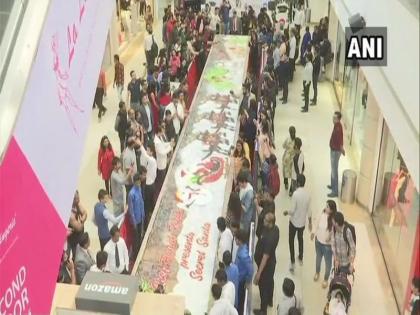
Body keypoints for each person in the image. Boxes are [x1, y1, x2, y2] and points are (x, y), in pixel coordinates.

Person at [284, 174, 312, 273]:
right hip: (302, 223)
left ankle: (292, 262)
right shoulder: (308, 195)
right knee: (300, 239)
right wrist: (310, 222)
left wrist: (287, 212)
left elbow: (292, 210)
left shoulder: (295, 194)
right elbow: (309, 210)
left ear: (298, 183)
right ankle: (300, 257)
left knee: (291, 241)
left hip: (294, 222)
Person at [253, 213, 280, 315]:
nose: (263, 221)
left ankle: (263, 310)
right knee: (270, 281)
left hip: (266, 266)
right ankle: (270, 299)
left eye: (265, 220)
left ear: (270, 223)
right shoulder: (275, 228)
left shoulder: (270, 238)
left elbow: (265, 257)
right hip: (271, 263)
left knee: (263, 287)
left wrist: (258, 274)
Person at [311, 200, 337, 288]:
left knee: (328, 263)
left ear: (332, 210)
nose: (326, 208)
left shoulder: (333, 220)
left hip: (327, 246)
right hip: (318, 242)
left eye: (328, 207)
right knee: (318, 259)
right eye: (326, 206)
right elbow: (316, 224)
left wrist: (330, 237)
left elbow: (334, 232)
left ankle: (326, 279)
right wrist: (313, 232)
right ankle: (317, 272)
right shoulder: (321, 214)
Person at [235, 229, 253, 315]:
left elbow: (250, 269)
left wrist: (248, 281)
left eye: (236, 239)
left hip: (241, 280)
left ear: (239, 240)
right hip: (239, 277)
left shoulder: (243, 255)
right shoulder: (242, 248)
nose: (235, 240)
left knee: (240, 299)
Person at [139, 142, 157, 226]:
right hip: (151, 184)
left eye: (148, 150)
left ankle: (147, 222)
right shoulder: (152, 161)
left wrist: (141, 145)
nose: (147, 151)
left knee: (147, 204)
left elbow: (145, 156)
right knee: (150, 203)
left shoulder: (152, 160)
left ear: (152, 152)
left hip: (149, 186)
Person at [328, 111, 345, 198]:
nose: (333, 119)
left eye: (335, 118)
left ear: (338, 119)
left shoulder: (338, 128)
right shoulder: (337, 126)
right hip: (334, 150)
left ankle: (335, 191)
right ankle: (332, 185)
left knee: (334, 170)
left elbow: (340, 140)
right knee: (333, 168)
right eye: (333, 117)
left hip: (335, 151)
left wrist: (341, 149)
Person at [67, 191, 87, 260]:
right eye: (76, 199)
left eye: (78, 198)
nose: (78, 200)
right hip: (72, 238)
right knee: (74, 254)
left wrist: (81, 220)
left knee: (78, 253)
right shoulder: (71, 215)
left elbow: (85, 212)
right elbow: (79, 228)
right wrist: (82, 222)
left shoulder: (77, 204)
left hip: (79, 236)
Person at [154, 125, 174, 195]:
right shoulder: (157, 142)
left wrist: (169, 143)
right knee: (161, 179)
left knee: (163, 177)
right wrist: (170, 147)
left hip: (163, 161)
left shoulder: (159, 138)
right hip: (161, 164)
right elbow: (162, 152)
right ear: (159, 132)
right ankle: (161, 192)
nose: (163, 133)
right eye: (162, 132)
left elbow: (163, 144)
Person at [282, 126, 296, 191]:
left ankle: (286, 183)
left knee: (285, 171)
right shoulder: (296, 140)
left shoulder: (287, 139)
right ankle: (291, 189)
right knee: (292, 173)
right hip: (293, 158)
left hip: (286, 157)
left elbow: (283, 146)